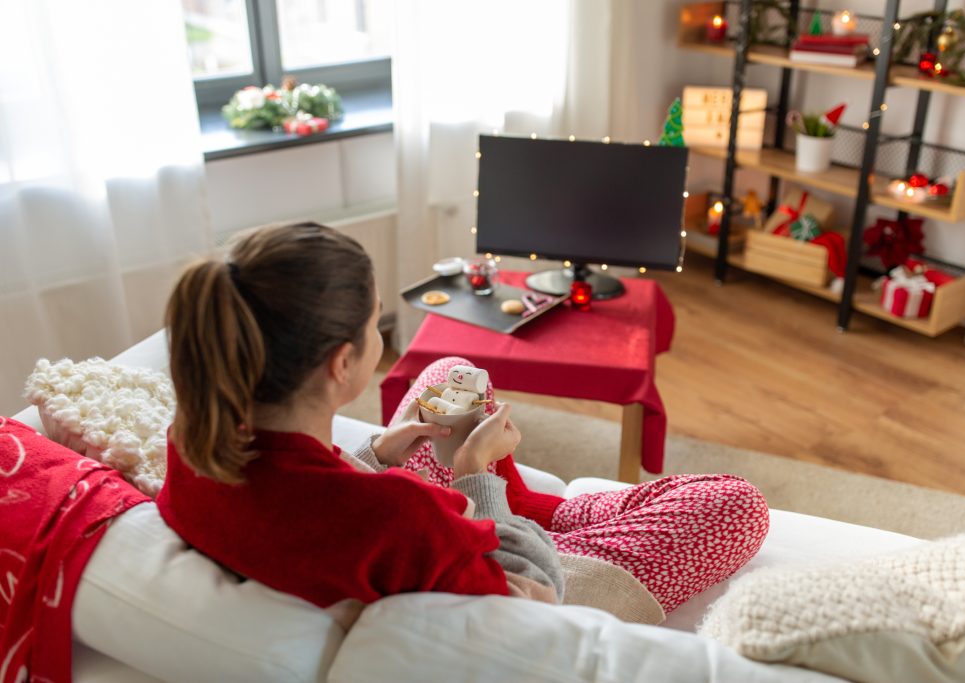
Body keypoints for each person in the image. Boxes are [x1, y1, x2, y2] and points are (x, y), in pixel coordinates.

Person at [158, 222, 769, 616]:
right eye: (375, 322)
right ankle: (530, 512)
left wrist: (377, 456)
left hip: (408, 532)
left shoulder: (191, 451)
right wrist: (476, 474)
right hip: (536, 571)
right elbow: (531, 600)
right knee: (736, 505)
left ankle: (527, 506)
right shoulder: (401, 515)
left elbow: (316, 496)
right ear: (342, 363)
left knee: (449, 372)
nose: (380, 335)